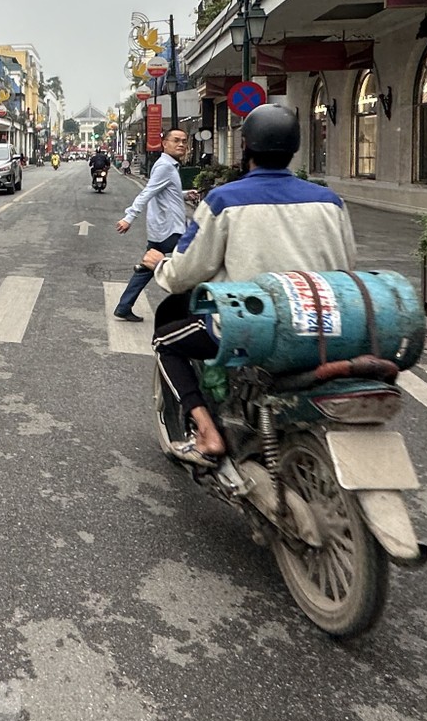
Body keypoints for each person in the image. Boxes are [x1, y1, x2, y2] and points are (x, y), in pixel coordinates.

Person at [141, 105, 358, 465]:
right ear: (294, 149)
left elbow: (184, 272)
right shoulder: (330, 201)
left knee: (168, 342)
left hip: (253, 327)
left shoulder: (224, 200)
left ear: (246, 147)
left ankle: (207, 434)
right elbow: (348, 267)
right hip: (323, 325)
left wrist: (159, 264)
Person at [113, 128, 190, 322]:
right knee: (191, 266)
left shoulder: (168, 166)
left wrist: (185, 195)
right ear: (164, 143)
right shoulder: (165, 166)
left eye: (184, 141)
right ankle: (187, 314)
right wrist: (129, 217)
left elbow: (165, 193)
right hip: (171, 230)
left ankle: (124, 306)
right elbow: (147, 192)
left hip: (162, 229)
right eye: (176, 140)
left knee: (147, 267)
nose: (181, 144)